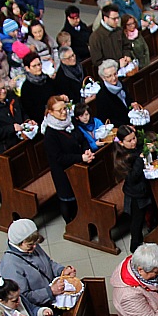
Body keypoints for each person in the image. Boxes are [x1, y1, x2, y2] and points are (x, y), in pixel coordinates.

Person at [0, 218, 76, 307]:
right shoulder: (10, 265)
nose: (35, 247)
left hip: (55, 293)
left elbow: (49, 263)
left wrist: (62, 271)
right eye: (30, 245)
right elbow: (23, 297)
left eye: (35, 243)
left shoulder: (31, 245)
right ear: (19, 243)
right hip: (42, 305)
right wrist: (50, 291)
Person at [42, 94, 94, 223]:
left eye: (64, 108)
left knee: (81, 196)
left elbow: (81, 138)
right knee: (68, 199)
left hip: (78, 165)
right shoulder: (50, 134)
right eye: (60, 110)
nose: (64, 112)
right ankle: (71, 223)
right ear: (50, 112)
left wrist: (86, 150)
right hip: (63, 172)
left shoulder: (70, 122)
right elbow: (59, 157)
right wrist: (80, 157)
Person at [91, 58, 137, 128]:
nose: (114, 78)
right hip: (120, 128)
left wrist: (132, 103)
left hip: (131, 120)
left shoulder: (120, 83)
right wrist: (124, 126)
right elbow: (105, 119)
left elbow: (128, 99)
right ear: (103, 78)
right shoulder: (102, 95)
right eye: (109, 76)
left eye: (115, 74)